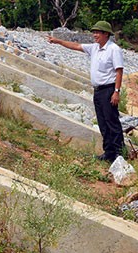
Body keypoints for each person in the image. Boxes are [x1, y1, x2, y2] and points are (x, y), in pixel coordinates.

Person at [47, 21, 125, 162]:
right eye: (94, 32)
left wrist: (116, 91)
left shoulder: (114, 49)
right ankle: (109, 153)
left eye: (97, 32)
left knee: (112, 121)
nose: (94, 35)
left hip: (109, 90)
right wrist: (58, 41)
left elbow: (119, 71)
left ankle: (119, 153)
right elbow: (76, 46)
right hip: (98, 91)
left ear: (106, 34)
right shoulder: (94, 48)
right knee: (102, 123)